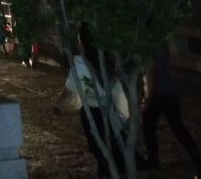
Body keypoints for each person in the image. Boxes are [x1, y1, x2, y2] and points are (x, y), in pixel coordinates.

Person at [54, 25, 147, 178]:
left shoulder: (81, 64)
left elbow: (72, 91)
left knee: (99, 146)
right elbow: (116, 88)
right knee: (114, 142)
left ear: (82, 41)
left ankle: (108, 172)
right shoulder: (107, 61)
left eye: (79, 38)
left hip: (92, 112)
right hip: (109, 109)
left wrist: (60, 106)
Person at [142, 42, 201, 175]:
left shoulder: (151, 49)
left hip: (159, 95)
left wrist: (147, 98)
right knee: (178, 128)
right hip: (171, 93)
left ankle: (153, 161)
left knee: (149, 127)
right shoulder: (167, 46)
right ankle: (197, 160)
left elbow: (151, 73)